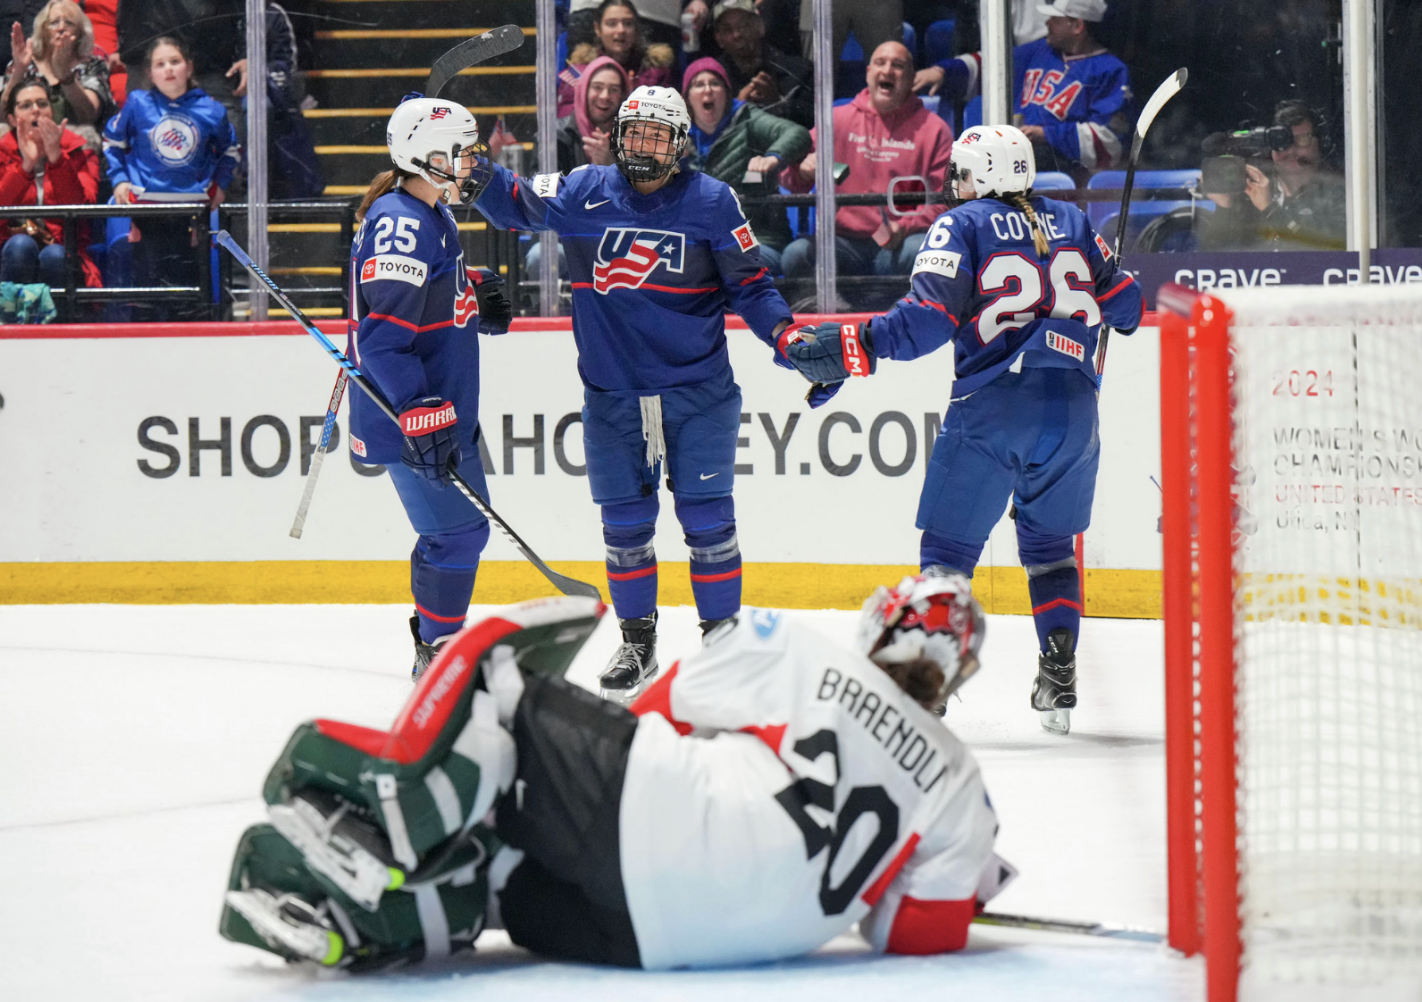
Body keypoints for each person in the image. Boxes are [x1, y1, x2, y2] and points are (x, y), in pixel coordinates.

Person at [218, 580, 1016, 971]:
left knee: (507, 693)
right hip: (657, 943)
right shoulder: (959, 781)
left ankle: (381, 831)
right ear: (956, 676)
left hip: (652, 827)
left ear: (884, 621)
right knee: (499, 874)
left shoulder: (797, 650)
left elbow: (656, 712)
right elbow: (910, 934)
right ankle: (375, 918)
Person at [780, 125, 1144, 735]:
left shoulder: (963, 224)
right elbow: (1128, 308)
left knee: (947, 555)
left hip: (993, 405)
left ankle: (930, 686)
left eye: (963, 173)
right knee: (1051, 551)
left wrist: (856, 344)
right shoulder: (1076, 223)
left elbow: (925, 323)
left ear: (985, 176)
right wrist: (1107, 279)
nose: (955, 184)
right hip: (1076, 412)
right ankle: (1059, 669)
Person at [475, 86, 798, 703]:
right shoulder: (581, 190)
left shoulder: (713, 200)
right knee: (624, 526)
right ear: (618, 136)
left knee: (708, 523)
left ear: (679, 144)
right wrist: (468, 163)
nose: (643, 145)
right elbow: (511, 202)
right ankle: (638, 641)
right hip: (613, 395)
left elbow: (752, 287)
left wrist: (784, 335)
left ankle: (722, 646)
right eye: (634, 132)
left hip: (698, 391)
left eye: (657, 135)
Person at [343, 96, 514, 680]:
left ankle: (433, 642)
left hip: (440, 406)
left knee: (457, 532)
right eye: (461, 152)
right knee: (460, 533)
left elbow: (421, 303)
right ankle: (440, 657)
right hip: (413, 412)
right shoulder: (401, 221)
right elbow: (384, 339)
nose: (471, 163)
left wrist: (470, 294)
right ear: (427, 154)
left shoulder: (428, 210)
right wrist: (420, 408)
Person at [781, 41, 954, 286]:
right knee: (797, 255)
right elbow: (789, 177)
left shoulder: (935, 129)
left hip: (903, 242)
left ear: (911, 77)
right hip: (842, 243)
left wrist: (904, 227)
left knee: (927, 255)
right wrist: (803, 172)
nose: (887, 71)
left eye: (898, 65)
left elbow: (944, 201)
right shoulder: (836, 120)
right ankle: (834, 312)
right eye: (880, 63)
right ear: (868, 73)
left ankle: (903, 315)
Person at [101, 36, 238, 321]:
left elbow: (231, 151)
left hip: (192, 211)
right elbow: (112, 142)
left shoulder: (211, 109)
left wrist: (220, 186)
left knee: (189, 297)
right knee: (147, 295)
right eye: (160, 64)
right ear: (150, 73)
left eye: (175, 62)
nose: (168, 69)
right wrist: (120, 180)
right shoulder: (137, 104)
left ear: (189, 67)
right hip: (147, 210)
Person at [914, 0, 1132, 177]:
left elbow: (1111, 143)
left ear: (1077, 26)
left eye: (1055, 19)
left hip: (1065, 172)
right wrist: (944, 71)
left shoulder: (1110, 70)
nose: (1047, 23)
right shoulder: (1040, 50)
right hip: (1015, 160)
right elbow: (993, 65)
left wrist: (1046, 134)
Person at [681, 55, 810, 275]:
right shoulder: (676, 133)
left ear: (727, 93)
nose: (707, 90)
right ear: (687, 98)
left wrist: (772, 157)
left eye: (715, 83)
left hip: (758, 238)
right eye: (698, 85)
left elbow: (797, 134)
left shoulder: (747, 118)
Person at [1203, 101, 1345, 252]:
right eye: (1281, 141)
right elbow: (1214, 254)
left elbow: (1330, 247)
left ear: (1321, 143)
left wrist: (1270, 209)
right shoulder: (1252, 188)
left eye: (1302, 139)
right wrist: (1224, 206)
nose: (1291, 149)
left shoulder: (1338, 190)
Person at [0, 79, 99, 289]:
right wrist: (24, 167)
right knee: (20, 246)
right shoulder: (1, 152)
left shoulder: (78, 151)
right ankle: (12, 322)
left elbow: (82, 207)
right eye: (26, 105)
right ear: (12, 119)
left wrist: (57, 160)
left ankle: (56, 322)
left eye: (42, 104)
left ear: (51, 112)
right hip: (8, 248)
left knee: (55, 255)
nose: (36, 110)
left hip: (64, 249)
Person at [1, 0, 113, 131]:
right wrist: (19, 71)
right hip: (29, 137)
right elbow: (3, 117)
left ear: (79, 33)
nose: (61, 28)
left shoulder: (92, 63)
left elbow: (88, 117)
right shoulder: (25, 64)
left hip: (74, 140)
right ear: (43, 30)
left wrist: (66, 76)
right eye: (54, 23)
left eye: (69, 23)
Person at [557, 0, 674, 120]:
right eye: (611, 24)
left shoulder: (656, 72)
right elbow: (565, 116)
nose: (620, 30)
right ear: (598, 29)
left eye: (628, 24)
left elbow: (668, 116)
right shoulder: (578, 72)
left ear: (636, 29)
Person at [711, 0, 813, 129]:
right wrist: (738, 106)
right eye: (727, 30)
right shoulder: (711, 78)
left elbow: (817, 122)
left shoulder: (799, 71)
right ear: (719, 39)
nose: (737, 35)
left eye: (744, 26)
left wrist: (778, 103)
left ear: (761, 27)